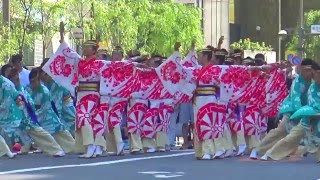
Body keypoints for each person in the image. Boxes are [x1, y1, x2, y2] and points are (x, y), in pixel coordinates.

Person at [254, 58, 314, 158]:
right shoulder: (297, 81)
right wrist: (302, 113)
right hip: (292, 109)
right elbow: (296, 99)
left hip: (309, 109)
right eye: (304, 70)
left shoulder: (315, 81)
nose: (307, 73)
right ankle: (259, 149)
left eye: (309, 70)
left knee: (300, 133)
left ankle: (292, 150)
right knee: (281, 130)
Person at [7, 68, 67, 156]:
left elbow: (33, 105)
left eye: (15, 79)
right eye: (11, 79)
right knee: (22, 131)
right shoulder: (25, 88)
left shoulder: (43, 91)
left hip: (45, 117)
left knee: (41, 132)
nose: (13, 81)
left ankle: (56, 149)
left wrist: (32, 116)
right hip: (27, 115)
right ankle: (25, 146)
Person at [26, 68, 75, 155]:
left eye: (46, 74)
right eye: (31, 81)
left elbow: (54, 105)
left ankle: (72, 148)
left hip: (56, 111)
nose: (32, 84)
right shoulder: (30, 89)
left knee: (61, 131)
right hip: (43, 113)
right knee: (52, 133)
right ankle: (58, 149)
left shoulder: (50, 88)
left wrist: (34, 117)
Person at [40, 59, 76, 136]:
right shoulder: (47, 84)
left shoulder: (57, 84)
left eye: (44, 74)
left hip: (67, 117)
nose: (42, 77)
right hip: (60, 116)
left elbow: (56, 107)